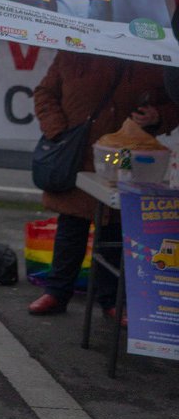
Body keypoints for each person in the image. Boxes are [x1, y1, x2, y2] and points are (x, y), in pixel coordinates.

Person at [28, 52, 179, 318]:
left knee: (115, 229)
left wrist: (158, 116)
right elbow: (45, 93)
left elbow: (175, 104)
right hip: (80, 153)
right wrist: (58, 130)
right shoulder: (73, 52)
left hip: (126, 159)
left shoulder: (156, 59)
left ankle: (111, 300)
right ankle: (56, 292)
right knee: (71, 225)